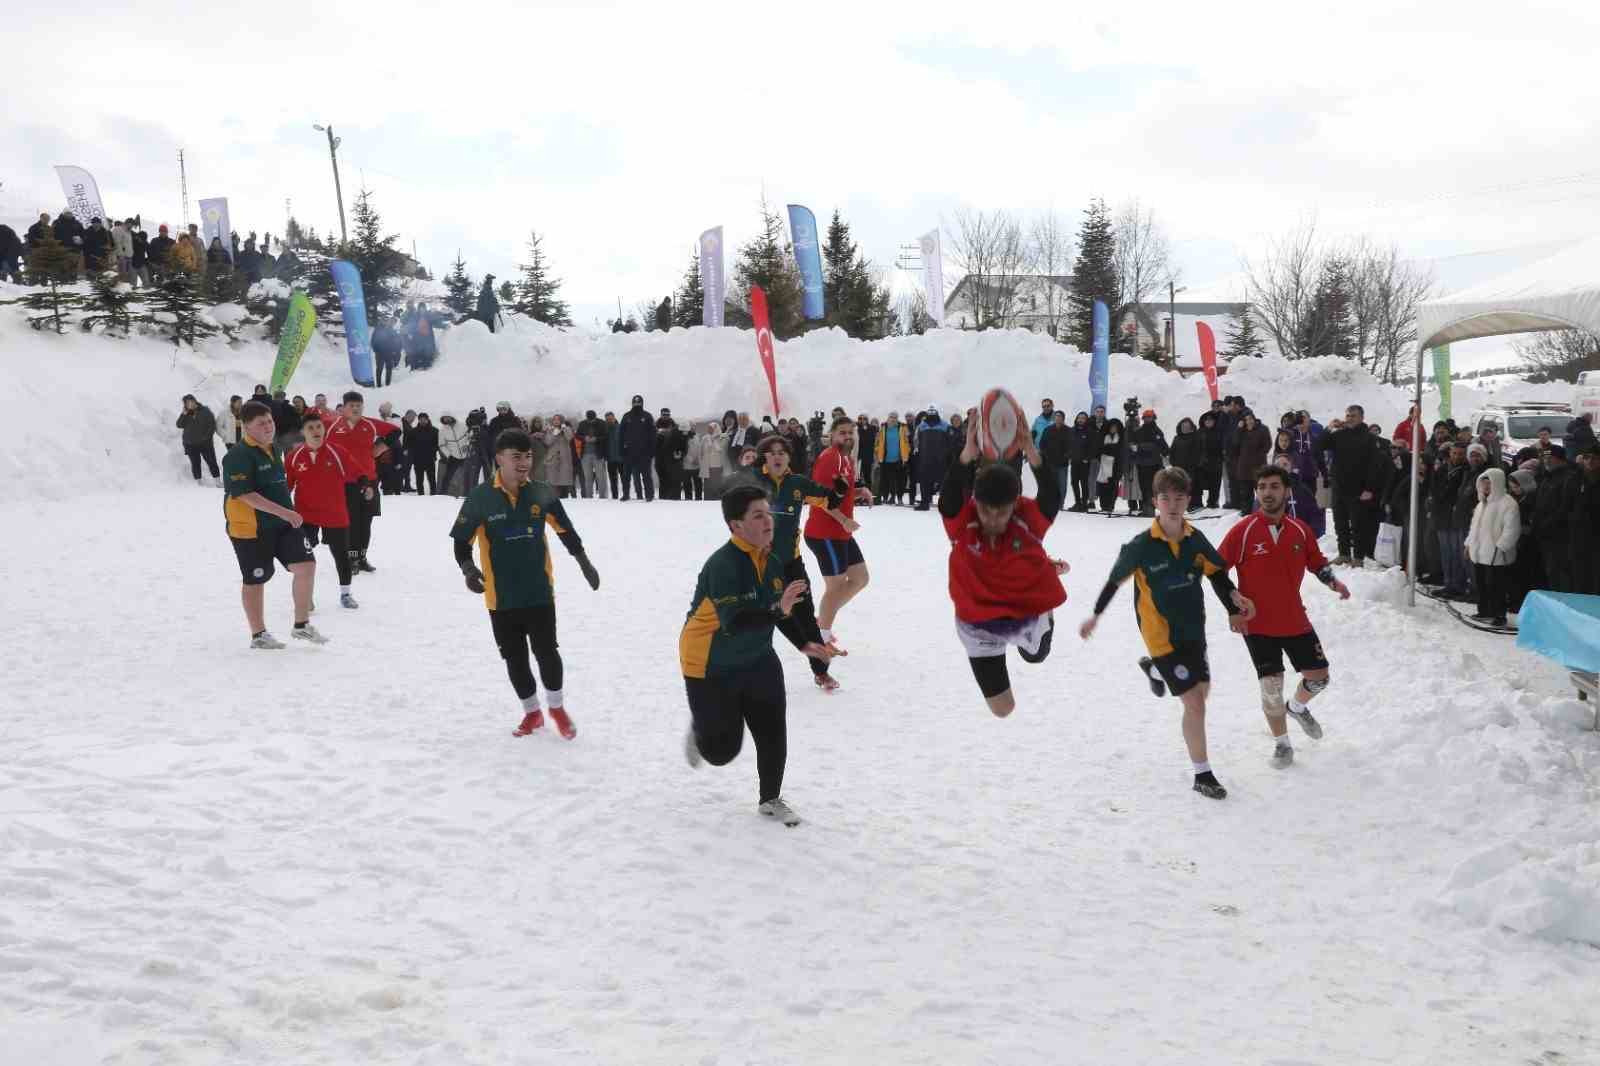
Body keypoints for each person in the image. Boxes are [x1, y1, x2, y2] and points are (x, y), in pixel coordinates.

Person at [1079, 467, 1254, 799]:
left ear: (1188, 500)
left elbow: (1217, 575)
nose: (1172, 504)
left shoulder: (1194, 538)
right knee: (1194, 703)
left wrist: (1234, 600)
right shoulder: (1141, 545)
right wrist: (1095, 616)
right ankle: (1203, 774)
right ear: (1154, 501)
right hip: (1160, 634)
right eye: (1165, 498)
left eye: (1179, 498)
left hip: (1193, 627)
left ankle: (1155, 669)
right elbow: (1115, 581)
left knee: (1201, 693)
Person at [679, 484, 836, 827]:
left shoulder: (772, 559)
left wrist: (804, 644)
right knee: (721, 753)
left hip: (758, 657)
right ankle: (703, 727)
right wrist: (777, 610)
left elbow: (779, 612)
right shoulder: (723, 565)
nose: (769, 521)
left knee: (772, 729)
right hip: (710, 661)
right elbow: (735, 622)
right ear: (736, 525)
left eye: (769, 513)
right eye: (758, 515)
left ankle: (770, 799)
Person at [452, 428, 602, 739]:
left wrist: (584, 562)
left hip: (538, 592)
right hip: (501, 597)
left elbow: (566, 531)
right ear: (499, 458)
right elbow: (461, 543)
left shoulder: (541, 492)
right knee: (515, 657)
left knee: (547, 651)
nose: (524, 463)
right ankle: (532, 713)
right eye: (517, 457)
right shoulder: (480, 497)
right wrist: (468, 569)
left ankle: (557, 708)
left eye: (529, 456)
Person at [1218, 466, 1350, 769]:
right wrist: (1234, 607)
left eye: (1274, 486)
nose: (1267, 492)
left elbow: (1317, 563)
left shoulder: (1300, 530)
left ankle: (1298, 707)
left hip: (1294, 619)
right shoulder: (1244, 529)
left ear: (1286, 491)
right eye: (1262, 486)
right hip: (1258, 624)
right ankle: (1283, 744)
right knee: (1271, 686)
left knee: (1319, 678)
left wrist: (1334, 582)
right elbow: (1216, 569)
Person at [941, 410, 1067, 717]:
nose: (993, 519)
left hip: (1024, 613)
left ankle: (1042, 606)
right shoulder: (963, 522)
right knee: (1002, 709)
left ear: (1015, 504)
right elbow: (947, 500)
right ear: (977, 504)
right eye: (986, 511)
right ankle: (1040, 572)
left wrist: (1031, 451)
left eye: (1002, 512)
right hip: (978, 626)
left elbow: (1051, 496)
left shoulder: (1027, 518)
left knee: (1035, 657)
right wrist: (967, 454)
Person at [221, 401, 326, 649]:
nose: (268, 426)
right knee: (256, 579)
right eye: (261, 424)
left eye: (269, 421)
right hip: (250, 528)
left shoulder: (273, 448)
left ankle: (301, 625)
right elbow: (246, 495)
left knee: (306, 566)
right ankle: (259, 635)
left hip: (282, 523)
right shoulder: (237, 456)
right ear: (246, 427)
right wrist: (285, 512)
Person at [756, 434, 851, 692]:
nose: (777, 456)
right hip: (759, 565)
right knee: (760, 620)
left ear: (788, 457)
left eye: (782, 452)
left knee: (806, 619)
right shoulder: (754, 481)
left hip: (791, 564)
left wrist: (840, 489)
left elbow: (829, 499)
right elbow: (730, 497)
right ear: (765, 456)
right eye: (772, 452)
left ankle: (821, 673)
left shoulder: (798, 484)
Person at [804, 417, 872, 652]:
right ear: (831, 435)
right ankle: (821, 637)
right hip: (824, 533)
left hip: (840, 532)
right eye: (842, 433)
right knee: (835, 587)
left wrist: (859, 491)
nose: (847, 437)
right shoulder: (829, 458)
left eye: (850, 433)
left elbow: (840, 494)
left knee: (860, 578)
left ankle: (822, 621)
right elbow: (822, 499)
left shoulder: (845, 458)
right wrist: (844, 520)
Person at [285, 416, 361, 610]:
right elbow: (287, 486)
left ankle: (346, 594)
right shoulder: (293, 456)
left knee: (341, 554)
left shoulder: (338, 452)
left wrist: (366, 485)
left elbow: (356, 473)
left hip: (334, 513)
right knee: (304, 556)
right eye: (310, 427)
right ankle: (306, 596)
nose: (316, 430)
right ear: (303, 432)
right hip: (306, 514)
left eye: (319, 426)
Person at [321, 391, 397, 574]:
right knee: (349, 521)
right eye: (351, 406)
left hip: (368, 480)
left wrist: (379, 448)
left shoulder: (369, 424)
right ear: (344, 407)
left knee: (366, 521)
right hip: (343, 482)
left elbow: (395, 432)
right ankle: (350, 558)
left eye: (358, 405)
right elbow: (312, 438)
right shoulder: (331, 424)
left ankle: (362, 557)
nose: (355, 409)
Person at [1328, 405, 1385, 565]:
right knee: (1340, 523)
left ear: (1361, 418)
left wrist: (1369, 488)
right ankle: (1344, 553)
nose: (1349, 418)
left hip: (1359, 489)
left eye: (1353, 416)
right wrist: (1330, 428)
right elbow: (1319, 446)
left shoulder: (1369, 438)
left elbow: (1375, 466)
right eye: (1347, 415)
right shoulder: (1338, 435)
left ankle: (1358, 557)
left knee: (1358, 525)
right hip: (1339, 487)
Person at [1464, 467, 1520, 627]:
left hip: (1497, 554)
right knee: (1480, 583)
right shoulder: (1482, 503)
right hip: (1480, 551)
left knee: (1497, 586)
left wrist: (1501, 546)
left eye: (1489, 484)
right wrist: (1468, 543)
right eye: (1483, 484)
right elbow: (1474, 527)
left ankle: (1499, 615)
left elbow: (1512, 529)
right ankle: (1484, 610)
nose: (1486, 487)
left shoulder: (1508, 503)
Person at [1532, 445, 1580, 593]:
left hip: (1560, 536)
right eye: (1544, 458)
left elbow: (1565, 508)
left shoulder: (1568, 477)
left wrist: (1547, 524)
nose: (1546, 461)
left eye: (1550, 458)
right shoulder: (1547, 477)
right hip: (1546, 535)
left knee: (1561, 573)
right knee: (1551, 572)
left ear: (1560, 459)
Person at [1229, 410, 1272, 517]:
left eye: (1250, 419)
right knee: (1245, 492)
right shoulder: (1241, 431)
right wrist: (1239, 429)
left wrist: (1259, 455)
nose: (1249, 421)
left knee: (1261, 490)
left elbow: (1268, 445)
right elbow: (1235, 444)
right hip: (1244, 466)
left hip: (1259, 466)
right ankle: (1247, 512)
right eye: (1246, 420)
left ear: (1254, 418)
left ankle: (1264, 510)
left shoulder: (1263, 429)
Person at [1132, 409, 1170, 517]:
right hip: (1142, 464)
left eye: (1149, 417)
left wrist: (1140, 447)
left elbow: (1162, 447)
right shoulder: (1139, 431)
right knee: (1144, 487)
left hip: (1154, 464)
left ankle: (1150, 509)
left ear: (1153, 418)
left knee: (1153, 487)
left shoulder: (1157, 431)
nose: (1147, 419)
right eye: (1146, 417)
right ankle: (1146, 508)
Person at [177, 394, 220, 484]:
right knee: (195, 463)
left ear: (195, 401)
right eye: (187, 403)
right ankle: (199, 483)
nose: (190, 404)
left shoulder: (205, 411)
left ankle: (218, 481)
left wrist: (206, 438)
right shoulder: (186, 414)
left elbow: (212, 425)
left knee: (211, 462)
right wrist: (183, 415)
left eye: (191, 401)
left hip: (205, 443)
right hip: (190, 444)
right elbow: (179, 425)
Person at [620, 395, 656, 501]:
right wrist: (621, 450)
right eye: (635, 403)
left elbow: (653, 435)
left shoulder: (648, 416)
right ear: (632, 404)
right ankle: (626, 494)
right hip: (629, 452)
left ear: (642, 403)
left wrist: (652, 451)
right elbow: (621, 435)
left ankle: (649, 495)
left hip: (644, 452)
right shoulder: (626, 416)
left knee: (646, 475)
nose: (637, 405)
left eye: (639, 403)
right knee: (626, 475)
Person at [875, 411, 910, 505]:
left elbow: (907, 442)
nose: (893, 419)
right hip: (885, 458)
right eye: (891, 417)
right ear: (888, 418)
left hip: (899, 459)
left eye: (895, 417)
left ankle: (899, 498)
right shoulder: (883, 427)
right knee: (885, 480)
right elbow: (877, 441)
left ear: (897, 418)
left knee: (900, 480)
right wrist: (878, 451)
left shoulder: (902, 427)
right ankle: (886, 497)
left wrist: (906, 453)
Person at [437, 412, 472, 496]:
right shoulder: (442, 430)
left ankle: (469, 494)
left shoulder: (463, 425)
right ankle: (442, 494)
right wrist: (449, 454)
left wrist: (467, 445)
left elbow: (470, 436)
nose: (446, 419)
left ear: (452, 417)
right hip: (453, 457)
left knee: (469, 475)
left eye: (448, 417)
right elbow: (441, 445)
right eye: (444, 418)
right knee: (447, 476)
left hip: (466, 456)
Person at [576, 410, 609, 499]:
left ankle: (603, 497)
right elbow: (577, 435)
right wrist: (584, 438)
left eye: (592, 420)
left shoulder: (601, 423)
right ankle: (588, 497)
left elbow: (606, 436)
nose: (590, 421)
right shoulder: (582, 424)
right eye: (589, 420)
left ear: (595, 417)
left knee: (601, 477)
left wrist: (596, 439)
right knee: (587, 477)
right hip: (585, 454)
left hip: (598, 454)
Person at [1094, 417, 1125, 513]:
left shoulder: (1121, 438)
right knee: (1102, 486)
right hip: (1104, 464)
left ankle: (1111, 506)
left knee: (1113, 485)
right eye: (1112, 427)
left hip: (1116, 464)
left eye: (1115, 428)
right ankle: (1104, 506)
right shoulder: (1103, 436)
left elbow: (1120, 451)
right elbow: (1099, 449)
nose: (1113, 429)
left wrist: (1108, 448)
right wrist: (1110, 449)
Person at [543, 414, 577, 498]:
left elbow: (569, 437)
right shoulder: (549, 430)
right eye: (554, 419)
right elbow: (547, 442)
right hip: (552, 457)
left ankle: (564, 496)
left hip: (564, 457)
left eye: (558, 419)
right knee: (552, 479)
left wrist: (564, 429)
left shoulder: (567, 428)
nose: (556, 421)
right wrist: (554, 434)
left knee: (564, 478)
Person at [409, 413, 439, 495]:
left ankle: (434, 494)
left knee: (432, 479)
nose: (422, 421)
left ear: (428, 419)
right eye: (421, 419)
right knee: (419, 479)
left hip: (430, 459)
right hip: (417, 459)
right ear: (418, 420)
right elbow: (409, 445)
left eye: (424, 419)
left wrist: (432, 451)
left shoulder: (435, 431)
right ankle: (420, 494)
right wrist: (413, 455)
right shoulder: (413, 431)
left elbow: (438, 445)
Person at [372, 317, 403, 387]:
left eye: (386, 321)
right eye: (384, 320)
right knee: (379, 368)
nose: (385, 322)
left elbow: (397, 341)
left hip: (389, 352)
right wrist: (376, 350)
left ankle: (388, 384)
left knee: (389, 368)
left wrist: (395, 351)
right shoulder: (378, 329)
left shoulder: (391, 330)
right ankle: (378, 384)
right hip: (379, 353)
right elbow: (373, 340)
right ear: (381, 321)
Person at [604, 411, 625, 499]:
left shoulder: (621, 427)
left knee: (624, 478)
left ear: (614, 418)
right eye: (607, 419)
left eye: (610, 418)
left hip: (621, 458)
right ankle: (615, 496)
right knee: (613, 479)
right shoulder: (604, 429)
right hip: (610, 458)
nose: (609, 420)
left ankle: (626, 494)